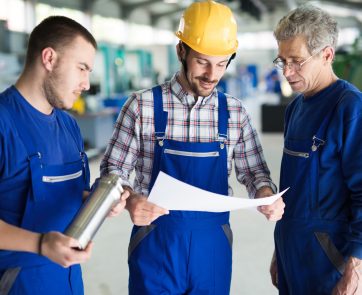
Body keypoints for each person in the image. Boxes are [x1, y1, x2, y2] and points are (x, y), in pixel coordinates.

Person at [101, 1, 284, 294]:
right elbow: (112, 172)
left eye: (222, 63)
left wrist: (265, 195)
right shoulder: (142, 106)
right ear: (181, 51)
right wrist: (130, 198)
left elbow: (255, 173)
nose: (212, 74)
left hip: (212, 249)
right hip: (155, 245)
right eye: (203, 62)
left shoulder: (234, 113)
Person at [0, 16, 128, 294]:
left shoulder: (69, 125)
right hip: (16, 282)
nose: (85, 83)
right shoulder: (3, 123)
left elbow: (63, 193)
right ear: (49, 58)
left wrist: (100, 203)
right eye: (82, 68)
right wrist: (40, 244)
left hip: (68, 279)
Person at [270, 5, 362, 295]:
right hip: (291, 252)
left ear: (327, 55)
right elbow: (292, 190)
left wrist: (356, 266)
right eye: (282, 60)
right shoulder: (295, 107)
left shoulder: (350, 108)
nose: (287, 71)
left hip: (331, 261)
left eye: (296, 61)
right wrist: (279, 248)